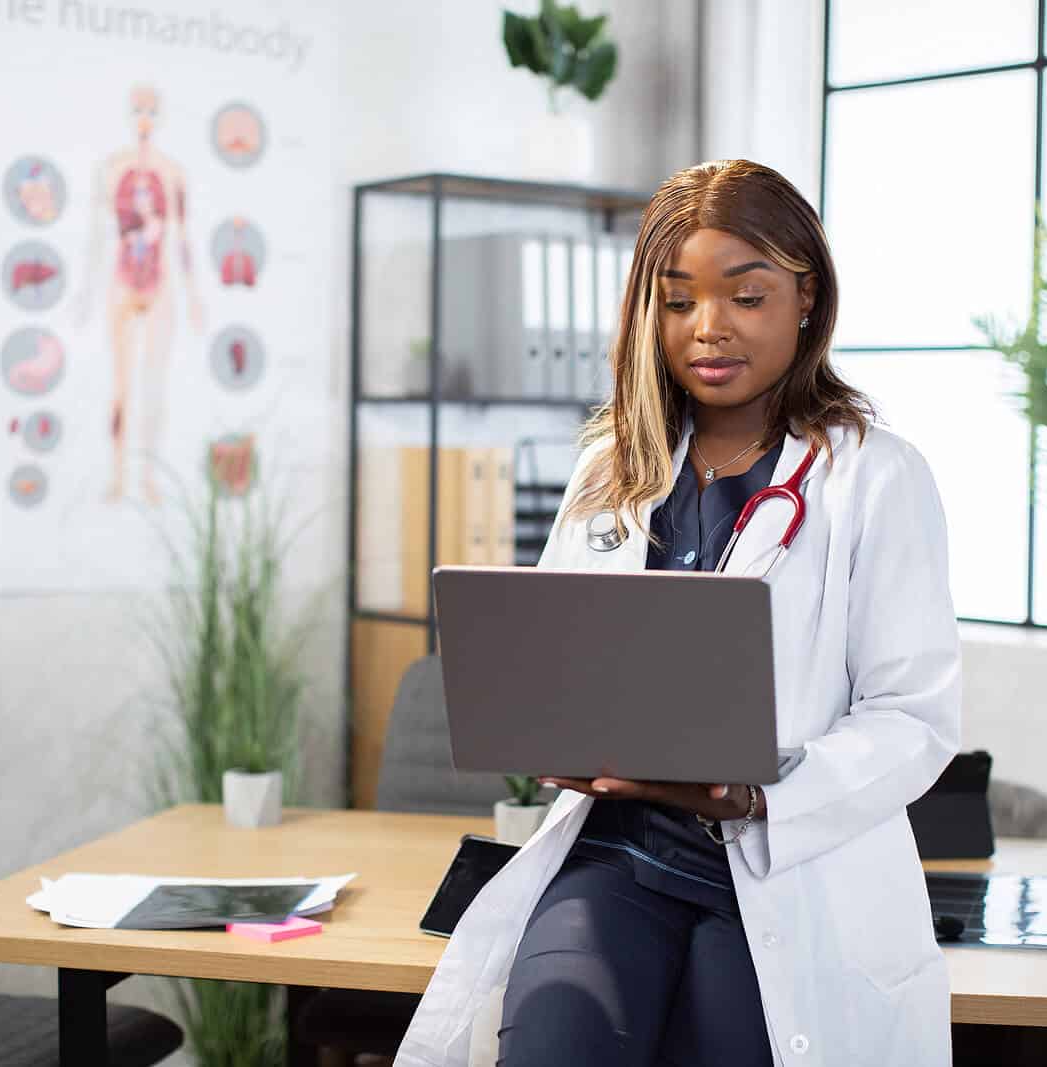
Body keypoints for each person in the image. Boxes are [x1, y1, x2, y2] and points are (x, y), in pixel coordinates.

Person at [395, 159, 962, 1067]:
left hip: (781, 869)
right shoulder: (610, 468)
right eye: (678, 301)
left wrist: (756, 793)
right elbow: (552, 654)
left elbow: (914, 719)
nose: (709, 328)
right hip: (617, 858)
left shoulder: (875, 476)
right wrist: (549, 732)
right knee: (551, 1042)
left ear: (807, 298)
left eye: (747, 295)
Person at [77, 84, 205, 505]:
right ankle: (117, 476)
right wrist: (85, 291)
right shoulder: (111, 168)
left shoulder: (173, 173)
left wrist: (194, 296)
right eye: (137, 110)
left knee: (153, 385)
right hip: (121, 281)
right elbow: (97, 234)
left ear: (161, 116)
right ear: (128, 114)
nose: (144, 118)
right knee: (120, 386)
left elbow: (182, 238)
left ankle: (148, 477)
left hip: (159, 283)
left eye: (151, 110)